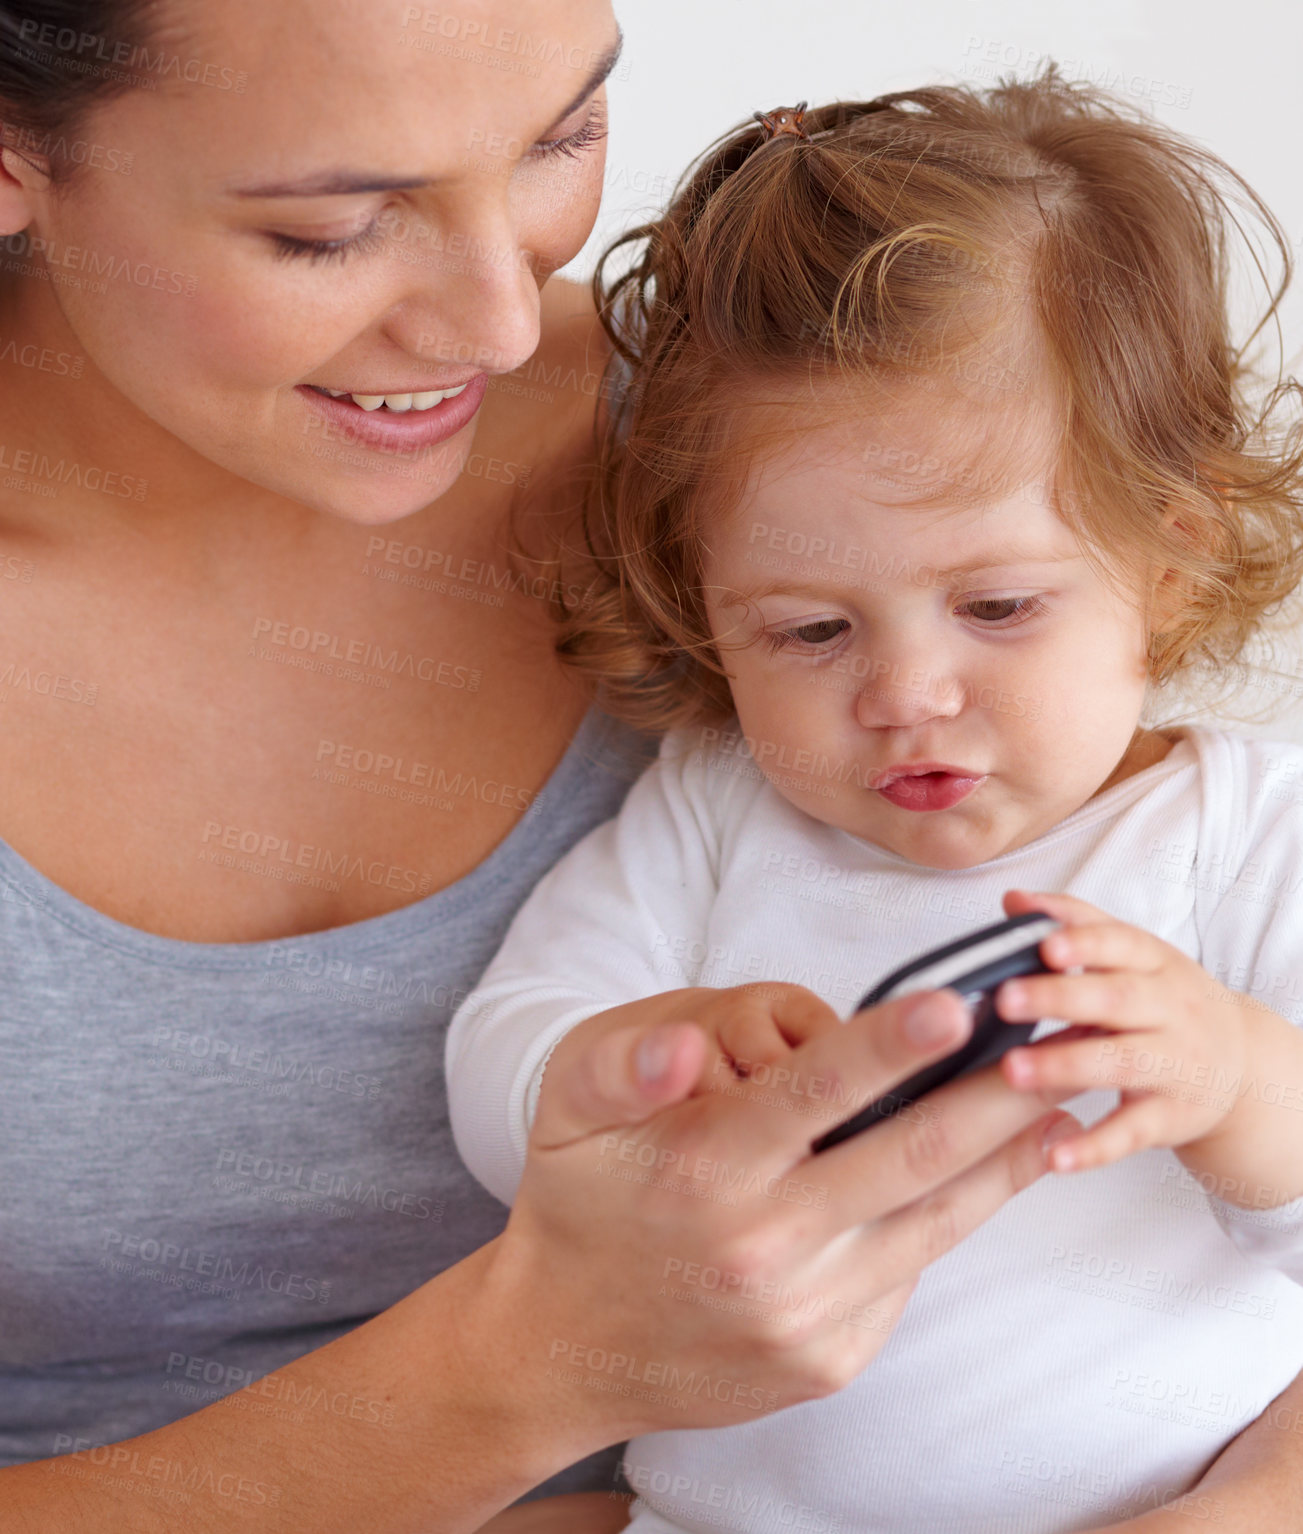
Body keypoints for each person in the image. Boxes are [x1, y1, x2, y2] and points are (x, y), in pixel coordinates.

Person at [0, 3, 1192, 1531]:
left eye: (559, 136)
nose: (503, 320)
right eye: (332, 228)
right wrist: (528, 1374)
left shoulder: (778, 460)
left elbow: (1217, 980)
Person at [447, 70, 1303, 1533]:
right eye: (809, 631)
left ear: (1165, 559)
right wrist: (607, 1066)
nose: (905, 691)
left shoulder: (1237, 834)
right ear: (705, 608)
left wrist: (1234, 1082)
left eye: (995, 604)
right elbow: (503, 1055)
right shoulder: (719, 810)